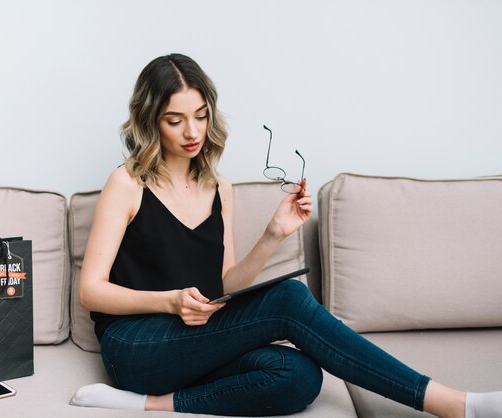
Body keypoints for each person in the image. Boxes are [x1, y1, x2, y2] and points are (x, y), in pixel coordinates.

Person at [71, 53, 501, 417]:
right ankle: (453, 404)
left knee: (298, 376)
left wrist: (274, 234)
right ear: (151, 122)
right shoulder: (127, 183)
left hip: (194, 344)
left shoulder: (219, 186)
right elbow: (90, 292)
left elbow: (226, 285)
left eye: (201, 117)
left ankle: (153, 404)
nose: (192, 133)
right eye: (175, 120)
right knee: (290, 299)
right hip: (137, 346)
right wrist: (167, 301)